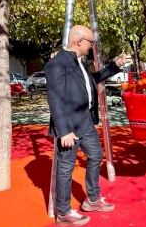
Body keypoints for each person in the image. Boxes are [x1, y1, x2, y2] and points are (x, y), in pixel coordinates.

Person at [45, 25, 126, 225]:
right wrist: (63, 131)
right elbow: (54, 99)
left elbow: (93, 80)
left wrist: (114, 66)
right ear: (79, 41)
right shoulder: (57, 64)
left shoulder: (80, 63)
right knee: (66, 168)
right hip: (69, 127)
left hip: (85, 122)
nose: (92, 46)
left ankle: (92, 199)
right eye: (90, 42)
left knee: (96, 155)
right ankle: (63, 213)